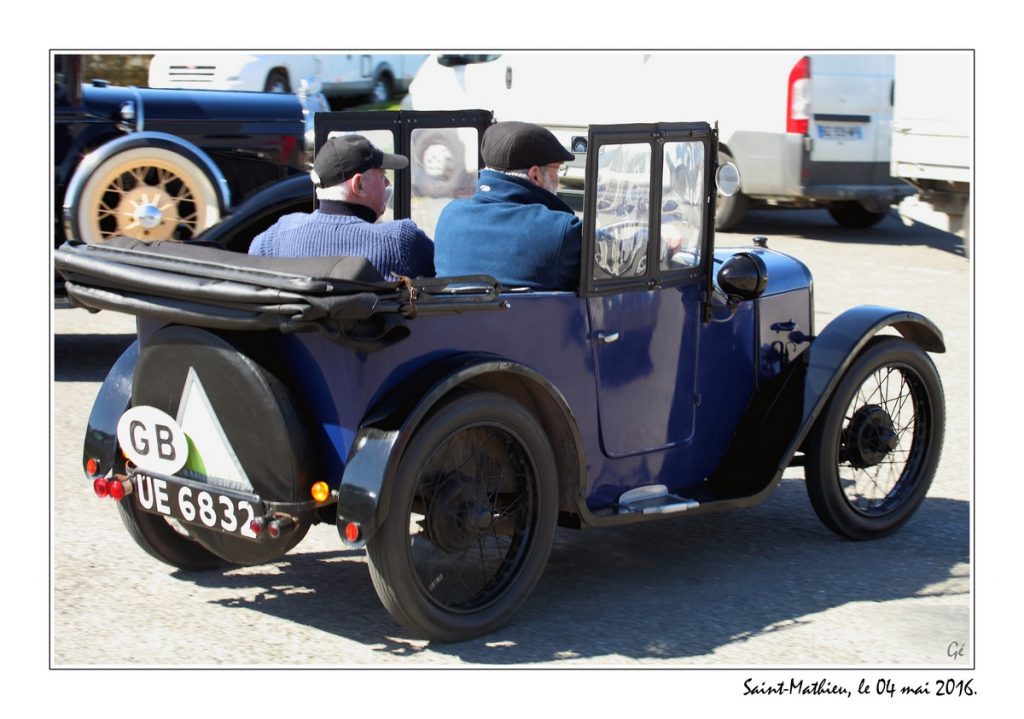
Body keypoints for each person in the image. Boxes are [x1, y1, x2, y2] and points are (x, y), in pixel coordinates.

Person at [248, 135, 434, 280]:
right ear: (358, 185)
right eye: (382, 175)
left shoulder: (278, 235)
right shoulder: (400, 240)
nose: (386, 183)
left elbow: (252, 266)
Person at [433, 121, 581, 290]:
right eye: (558, 169)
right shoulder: (560, 232)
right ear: (535, 175)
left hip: (455, 317)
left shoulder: (449, 217)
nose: (559, 178)